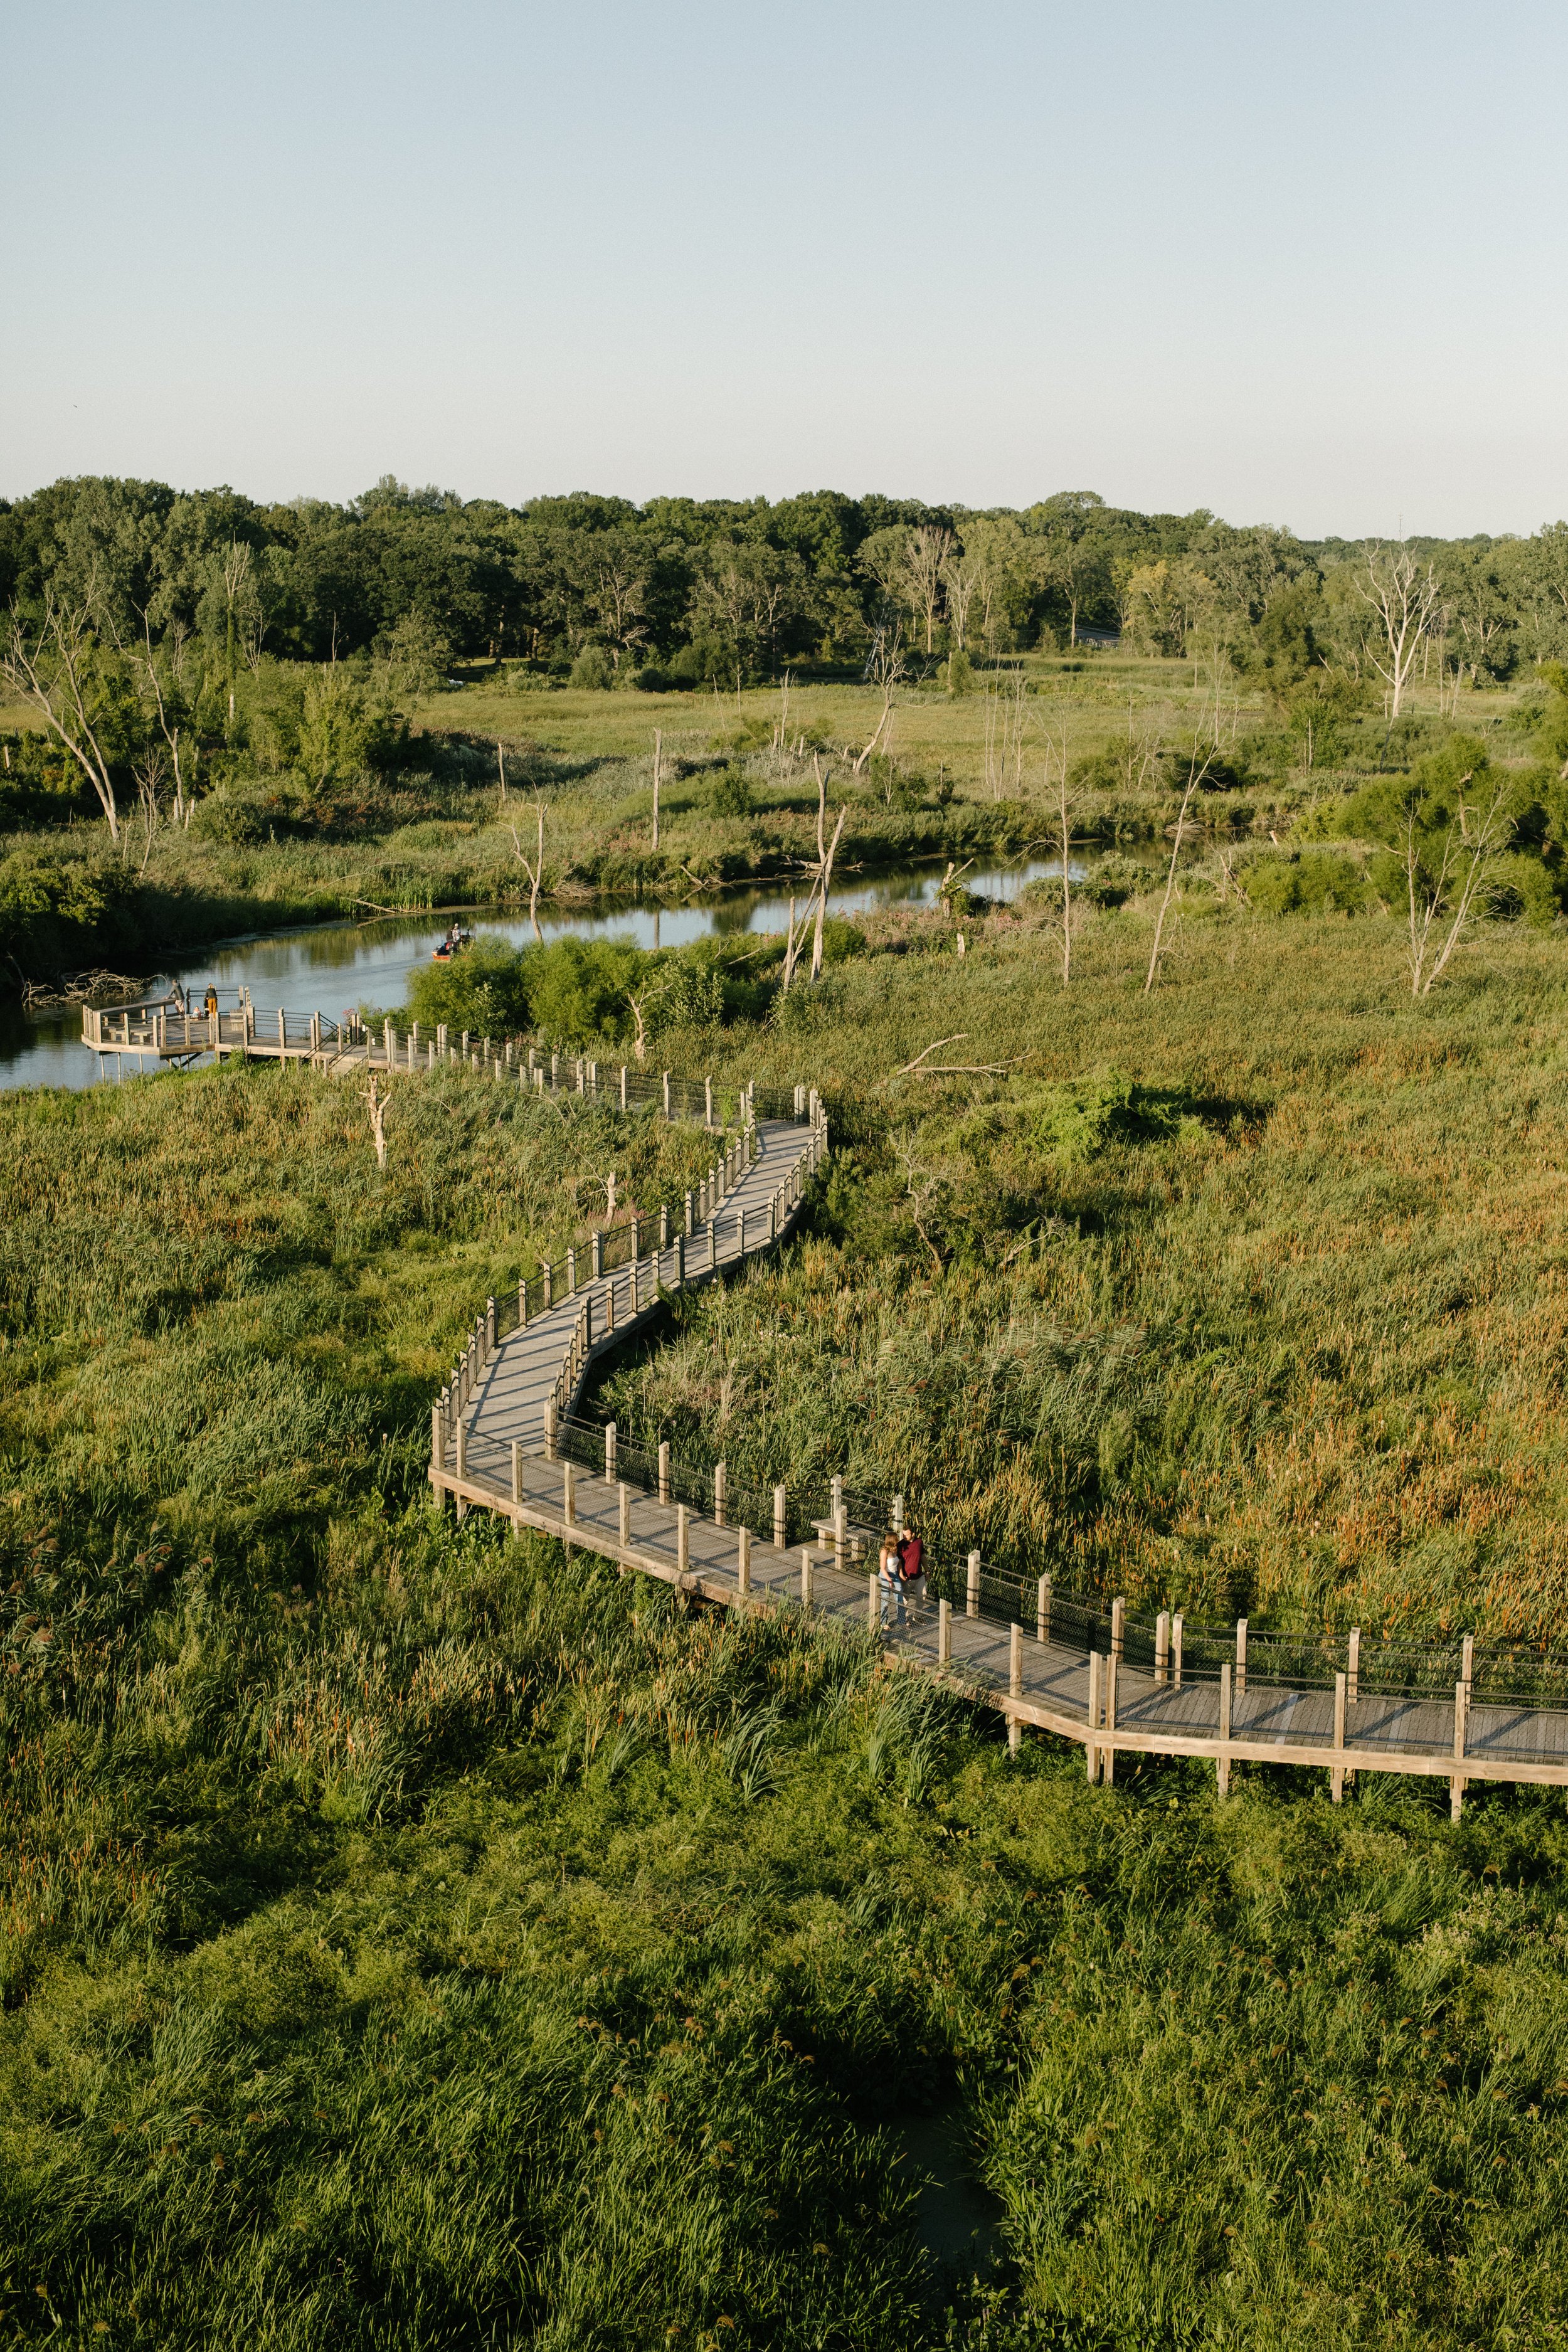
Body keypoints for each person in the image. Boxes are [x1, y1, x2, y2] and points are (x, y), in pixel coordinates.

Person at [898, 1524, 926, 1624]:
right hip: (907, 1577)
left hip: (919, 1575)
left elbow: (923, 1557)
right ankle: (904, 1618)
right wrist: (901, 1575)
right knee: (905, 1599)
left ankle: (918, 1616)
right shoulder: (901, 1545)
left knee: (922, 1595)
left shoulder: (919, 1542)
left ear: (913, 1534)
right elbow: (899, 1562)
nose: (904, 1537)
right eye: (903, 1534)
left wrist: (927, 1570)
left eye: (907, 1535)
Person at [878, 1533, 904, 1631]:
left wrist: (901, 1576)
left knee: (900, 1596)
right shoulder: (884, 1551)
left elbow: (899, 1564)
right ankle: (883, 1622)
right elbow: (882, 1568)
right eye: (896, 1540)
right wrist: (889, 1580)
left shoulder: (895, 1550)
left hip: (895, 1574)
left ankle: (901, 1620)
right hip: (886, 1576)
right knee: (885, 1598)